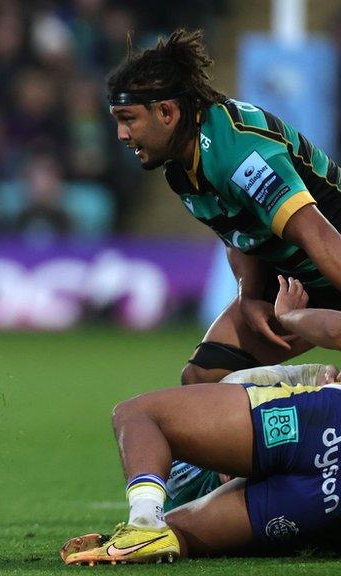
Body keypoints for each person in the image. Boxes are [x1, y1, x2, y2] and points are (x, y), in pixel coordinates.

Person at [107, 29, 341, 386]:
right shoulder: (181, 169)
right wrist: (248, 296)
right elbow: (239, 234)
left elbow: (319, 234)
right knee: (203, 378)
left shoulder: (236, 153)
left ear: (166, 112)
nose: (122, 134)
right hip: (298, 284)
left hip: (333, 262)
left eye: (128, 118)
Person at [61, 275, 341, 564]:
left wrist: (289, 315)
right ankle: (146, 536)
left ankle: (145, 523)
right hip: (331, 493)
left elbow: (336, 330)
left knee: (138, 415)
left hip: (323, 431)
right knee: (175, 535)